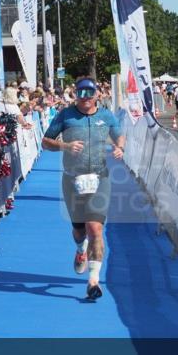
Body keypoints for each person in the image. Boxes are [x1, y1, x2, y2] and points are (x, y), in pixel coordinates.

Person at [42, 77, 125, 301]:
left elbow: (118, 133)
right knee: (79, 230)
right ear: (76, 94)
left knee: (95, 228)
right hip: (72, 180)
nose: (85, 97)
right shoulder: (66, 115)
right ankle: (80, 250)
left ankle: (93, 281)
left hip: (100, 178)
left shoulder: (106, 115)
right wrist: (65, 145)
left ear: (97, 94)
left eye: (90, 92)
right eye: (81, 92)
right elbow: (45, 141)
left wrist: (119, 147)